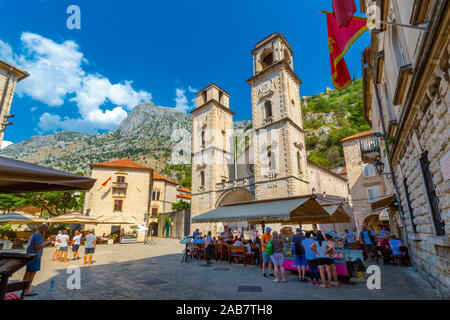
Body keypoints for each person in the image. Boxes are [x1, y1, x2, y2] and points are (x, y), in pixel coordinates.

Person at [22, 224, 53, 296]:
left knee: (27, 273)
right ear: (43, 229)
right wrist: (48, 242)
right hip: (35, 257)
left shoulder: (34, 234)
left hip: (30, 256)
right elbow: (38, 246)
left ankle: (23, 289)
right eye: (45, 231)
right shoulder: (38, 235)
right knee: (31, 275)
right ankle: (27, 291)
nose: (45, 232)